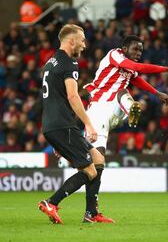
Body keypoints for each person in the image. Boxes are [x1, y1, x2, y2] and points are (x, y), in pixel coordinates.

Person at [83, 35, 168, 214]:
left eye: (141, 50)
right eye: (135, 49)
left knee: (123, 90)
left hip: (112, 109)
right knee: (97, 163)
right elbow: (134, 67)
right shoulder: (114, 55)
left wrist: (157, 93)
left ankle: (131, 110)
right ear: (124, 49)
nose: (139, 53)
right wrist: (167, 69)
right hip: (97, 111)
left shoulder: (128, 67)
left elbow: (136, 77)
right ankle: (90, 212)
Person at [37, 24, 114, 224]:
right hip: (62, 125)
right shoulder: (69, 64)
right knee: (89, 171)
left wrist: (56, 139)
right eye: (82, 40)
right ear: (71, 41)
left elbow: (51, 98)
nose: (84, 44)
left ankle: (91, 213)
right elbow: (72, 96)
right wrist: (89, 124)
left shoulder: (51, 62)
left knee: (97, 158)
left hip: (54, 125)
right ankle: (51, 202)